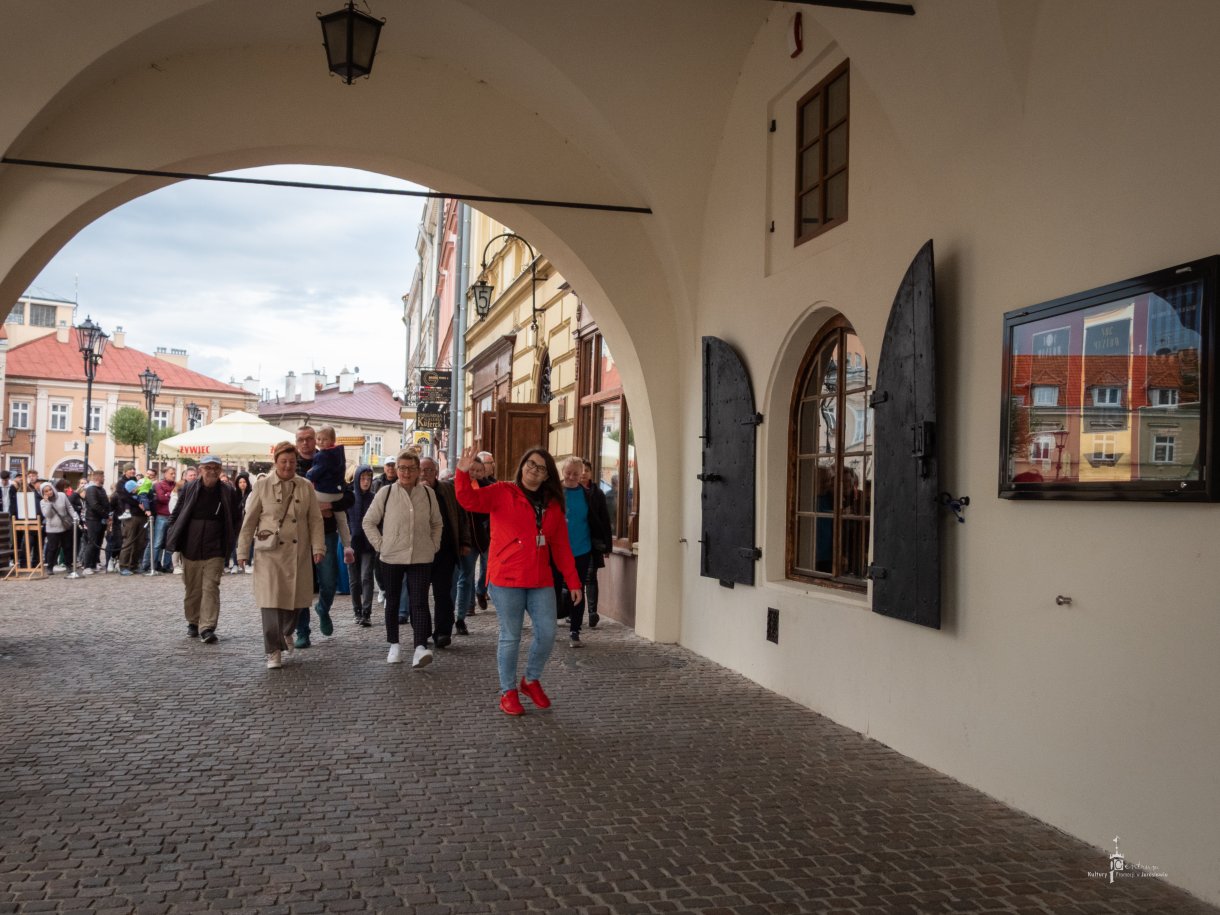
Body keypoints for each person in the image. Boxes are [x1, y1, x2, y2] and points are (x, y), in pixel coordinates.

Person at [455, 446, 582, 716]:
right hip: (506, 577)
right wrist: (462, 474)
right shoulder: (503, 491)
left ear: (547, 475)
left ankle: (531, 680)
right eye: (530, 464)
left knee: (547, 632)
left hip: (540, 578)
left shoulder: (553, 504)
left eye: (541, 468)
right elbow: (469, 501)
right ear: (522, 465)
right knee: (511, 636)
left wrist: (573, 581)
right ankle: (508, 692)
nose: (534, 470)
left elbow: (560, 545)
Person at [237, 441, 325, 669]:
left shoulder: (305, 486)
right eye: (283, 461)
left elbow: (315, 520)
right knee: (270, 601)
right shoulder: (262, 486)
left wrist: (318, 547)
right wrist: (242, 550)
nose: (288, 466)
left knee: (296, 601)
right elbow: (249, 521)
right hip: (269, 554)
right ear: (275, 462)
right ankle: (273, 650)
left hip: (298, 553)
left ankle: (287, 632)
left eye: (292, 462)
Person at [362, 450, 442, 668]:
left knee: (419, 601)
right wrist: (381, 545)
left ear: (418, 471)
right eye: (403, 468)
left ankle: (420, 647)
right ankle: (394, 644)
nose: (407, 473)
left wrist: (434, 545)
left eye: (411, 468)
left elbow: (437, 523)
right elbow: (369, 522)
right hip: (391, 556)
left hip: (421, 556)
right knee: (393, 601)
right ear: (396, 470)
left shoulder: (428, 494)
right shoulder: (386, 493)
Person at [166, 455, 241, 644]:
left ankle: (207, 627)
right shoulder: (189, 488)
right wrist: (173, 533)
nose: (212, 471)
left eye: (216, 467)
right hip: (190, 546)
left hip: (215, 547)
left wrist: (231, 539)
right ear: (200, 470)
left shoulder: (228, 491)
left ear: (220, 470)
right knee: (192, 589)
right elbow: (177, 513)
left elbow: (236, 517)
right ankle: (193, 621)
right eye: (208, 467)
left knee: (210, 588)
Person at [292, 425, 355, 649]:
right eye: (301, 439)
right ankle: (302, 631)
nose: (306, 443)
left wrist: (329, 505)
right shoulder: (291, 466)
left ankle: (323, 608)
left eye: (310, 438)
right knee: (302, 585)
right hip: (299, 535)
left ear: (317, 440)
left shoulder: (329, 459)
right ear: (296, 442)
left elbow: (349, 497)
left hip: (327, 532)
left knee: (328, 581)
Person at [557, 456, 612, 645]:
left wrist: (605, 545)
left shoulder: (588, 495)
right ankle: (548, 624)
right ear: (563, 472)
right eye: (568, 473)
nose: (571, 477)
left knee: (577, 588)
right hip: (556, 550)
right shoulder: (554, 492)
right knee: (553, 588)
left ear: (582, 474)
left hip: (581, 549)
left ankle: (575, 630)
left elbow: (601, 520)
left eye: (576, 473)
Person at [419, 457, 472, 647]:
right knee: (419, 594)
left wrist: (465, 541)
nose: (424, 474)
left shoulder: (448, 490)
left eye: (429, 470)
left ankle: (443, 632)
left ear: (435, 472)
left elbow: (461, 516)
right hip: (419, 552)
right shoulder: (411, 491)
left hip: (445, 550)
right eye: (421, 470)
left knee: (443, 593)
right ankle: (422, 630)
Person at [454, 455, 491, 633]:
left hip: (484, 538)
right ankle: (461, 617)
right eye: (471, 470)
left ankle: (481, 591)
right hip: (466, 540)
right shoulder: (455, 486)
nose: (474, 473)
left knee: (488, 571)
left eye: (478, 470)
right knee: (465, 577)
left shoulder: (486, 487)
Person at [579, 459, 613, 628]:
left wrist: (607, 545)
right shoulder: (569, 491)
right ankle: (574, 612)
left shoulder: (598, 493)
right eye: (581, 470)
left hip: (592, 542)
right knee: (575, 578)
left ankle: (592, 612)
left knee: (590, 576)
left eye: (587, 470)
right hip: (575, 541)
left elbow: (605, 519)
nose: (584, 473)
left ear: (591, 473)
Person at [345, 463, 378, 626]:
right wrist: (346, 541)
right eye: (363, 478)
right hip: (352, 544)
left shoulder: (374, 498)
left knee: (366, 577)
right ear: (357, 479)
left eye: (368, 478)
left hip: (368, 545)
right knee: (354, 580)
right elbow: (344, 521)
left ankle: (366, 613)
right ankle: (356, 611)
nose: (366, 482)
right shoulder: (349, 497)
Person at [473, 450, 497, 610]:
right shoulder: (471, 484)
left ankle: (481, 590)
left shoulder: (494, 484)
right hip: (475, 529)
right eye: (489, 463)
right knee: (467, 571)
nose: (492, 465)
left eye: (492, 463)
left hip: (491, 530)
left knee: (487, 564)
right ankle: (469, 604)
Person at [38, 482, 79, 575]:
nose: (49, 492)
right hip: (52, 528)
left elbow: (69, 507)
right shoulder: (42, 502)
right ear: (43, 493)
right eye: (46, 491)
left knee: (67, 547)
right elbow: (47, 515)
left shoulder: (62, 495)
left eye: (50, 489)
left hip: (65, 526)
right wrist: (48, 502)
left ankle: (68, 565)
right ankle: (50, 567)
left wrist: (75, 516)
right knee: (52, 548)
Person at [117, 478, 151, 575]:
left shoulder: (141, 492)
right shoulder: (125, 493)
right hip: (131, 518)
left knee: (140, 543)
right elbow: (125, 499)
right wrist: (138, 504)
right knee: (129, 542)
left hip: (142, 517)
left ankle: (134, 565)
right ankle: (123, 566)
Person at [305, 425, 346, 504]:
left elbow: (314, 474)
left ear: (332, 440)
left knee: (307, 498)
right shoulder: (338, 452)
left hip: (325, 492)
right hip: (339, 492)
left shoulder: (323, 455)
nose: (321, 442)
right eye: (319, 439)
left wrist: (308, 473)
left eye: (325, 439)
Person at [79, 470, 109, 574]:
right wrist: (106, 514)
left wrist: (108, 514)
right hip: (93, 520)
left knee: (98, 543)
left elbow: (106, 503)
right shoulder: (91, 489)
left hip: (101, 520)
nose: (104, 478)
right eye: (103, 477)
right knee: (92, 543)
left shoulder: (102, 489)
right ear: (98, 478)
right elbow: (94, 505)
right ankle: (87, 566)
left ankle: (94, 564)